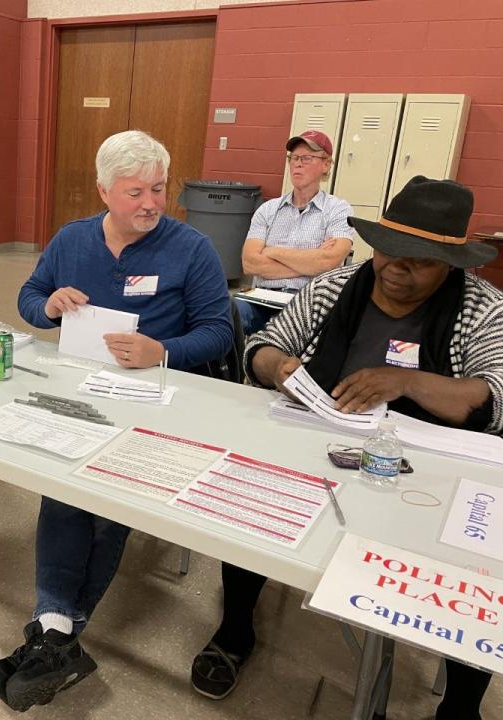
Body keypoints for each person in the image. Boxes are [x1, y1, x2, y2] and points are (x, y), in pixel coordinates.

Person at [192, 176, 501, 720]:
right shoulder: (335, 288)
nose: (397, 269)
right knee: (255, 500)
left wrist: (404, 382)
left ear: (453, 265)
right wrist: (277, 368)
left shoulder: (484, 309)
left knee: (476, 566)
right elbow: (264, 345)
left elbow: (494, 396)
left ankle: (462, 703)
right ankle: (237, 627)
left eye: (420, 262)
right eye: (390, 253)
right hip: (323, 441)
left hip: (434, 467)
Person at [0, 130, 233, 712]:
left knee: (104, 498)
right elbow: (27, 296)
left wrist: (161, 350)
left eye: (159, 190)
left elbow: (218, 331)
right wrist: (47, 305)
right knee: (67, 491)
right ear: (103, 191)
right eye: (134, 191)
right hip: (80, 389)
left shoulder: (190, 249)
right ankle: (57, 632)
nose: (150, 203)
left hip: (156, 397)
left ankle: (54, 631)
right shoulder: (72, 240)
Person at [237, 130, 353, 335]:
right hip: (262, 297)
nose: (297, 163)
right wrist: (311, 264)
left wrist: (271, 251)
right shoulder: (268, 209)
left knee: (282, 333)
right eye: (294, 158)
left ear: (326, 164)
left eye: (307, 158)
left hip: (307, 303)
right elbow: (249, 263)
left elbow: (329, 262)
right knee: (227, 314)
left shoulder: (338, 210)